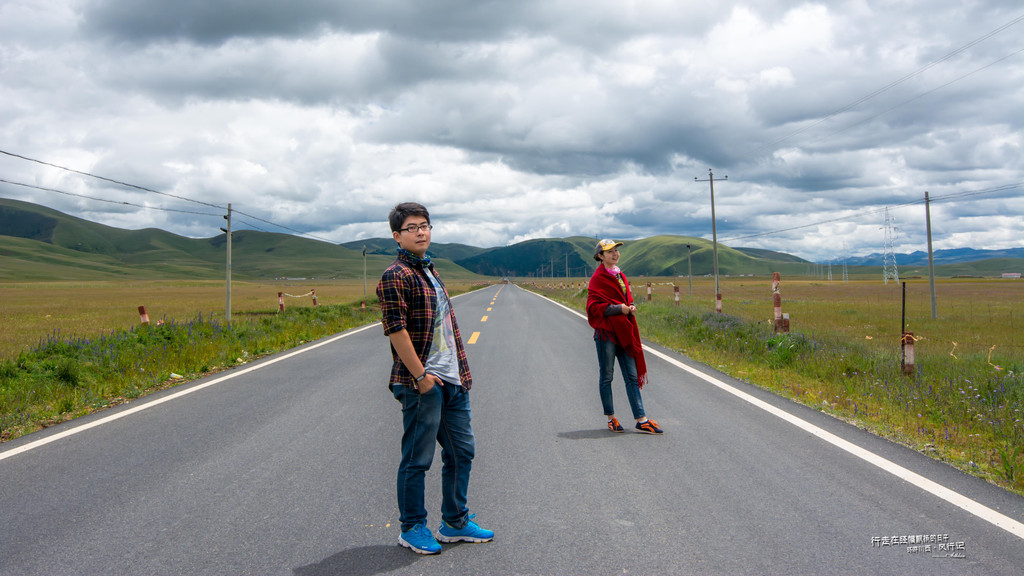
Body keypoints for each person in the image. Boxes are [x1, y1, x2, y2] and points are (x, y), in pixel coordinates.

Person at [376, 202, 494, 555]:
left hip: (452, 379)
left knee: (462, 453)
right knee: (418, 457)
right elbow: (395, 330)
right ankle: (412, 527)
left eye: (425, 225)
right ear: (397, 236)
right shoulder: (395, 275)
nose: (421, 232)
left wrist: (455, 373)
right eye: (412, 227)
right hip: (422, 382)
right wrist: (421, 376)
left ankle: (455, 522)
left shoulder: (429, 270)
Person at [586, 239, 663, 435]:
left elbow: (624, 298)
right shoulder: (597, 278)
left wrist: (630, 306)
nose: (615, 254)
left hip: (624, 332)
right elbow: (593, 308)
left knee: (631, 376)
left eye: (616, 250)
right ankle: (611, 418)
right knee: (607, 376)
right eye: (610, 251)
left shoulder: (620, 275)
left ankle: (641, 419)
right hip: (607, 334)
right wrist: (618, 309)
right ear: (600, 256)